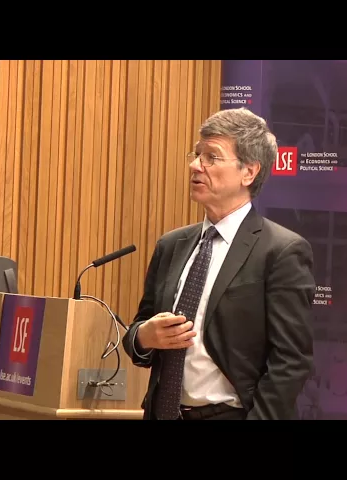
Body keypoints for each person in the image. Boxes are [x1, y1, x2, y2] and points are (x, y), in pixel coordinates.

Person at [122, 107, 316, 420]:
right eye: (197, 154)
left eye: (211, 157)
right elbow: (139, 331)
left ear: (248, 172)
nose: (195, 165)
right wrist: (145, 336)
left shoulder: (281, 251)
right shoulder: (171, 245)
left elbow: (291, 360)